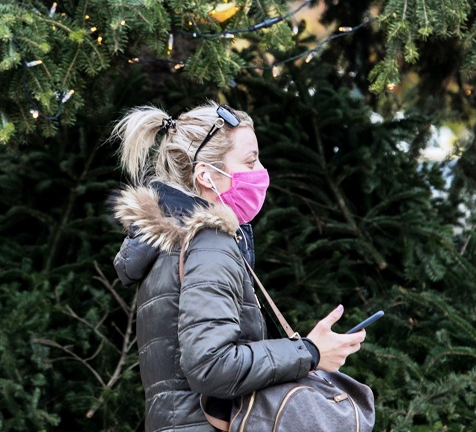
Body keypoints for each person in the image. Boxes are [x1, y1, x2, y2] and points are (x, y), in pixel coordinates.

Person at [110, 101, 366, 431]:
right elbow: (212, 365)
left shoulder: (172, 244)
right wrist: (311, 352)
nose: (260, 170)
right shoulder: (209, 244)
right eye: (250, 160)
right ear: (205, 175)